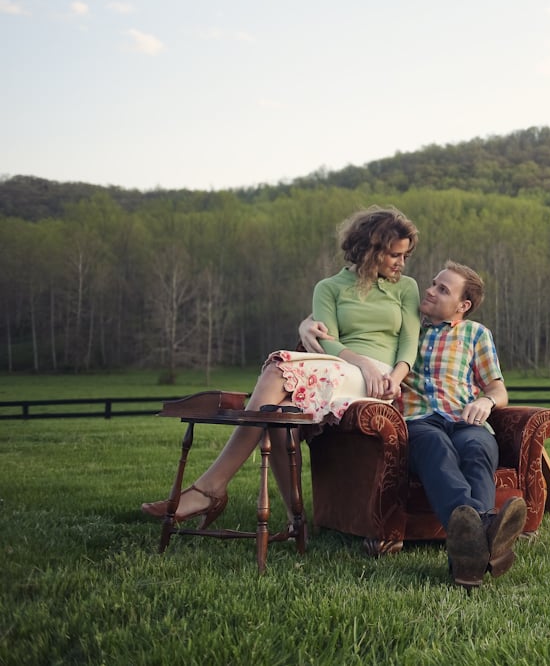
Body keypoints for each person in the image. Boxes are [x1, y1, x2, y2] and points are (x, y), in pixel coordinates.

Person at [141, 206, 421, 530]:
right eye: (394, 255)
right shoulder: (328, 288)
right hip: (342, 365)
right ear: (370, 250)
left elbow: (408, 345)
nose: (401, 263)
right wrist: (359, 362)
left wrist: (391, 377)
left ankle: (210, 488)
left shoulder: (406, 288)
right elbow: (325, 342)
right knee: (277, 413)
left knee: (277, 369)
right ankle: (296, 519)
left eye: (405, 256)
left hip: (380, 378)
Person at [300, 260, 526, 589]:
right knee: (436, 449)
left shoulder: (477, 335)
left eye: (442, 289)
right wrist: (305, 323)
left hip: (466, 420)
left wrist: (486, 401)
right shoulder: (405, 329)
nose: (430, 290)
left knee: (478, 449)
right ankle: (486, 528)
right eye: (433, 283)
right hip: (419, 421)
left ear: (463, 305)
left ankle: (470, 551)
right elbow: (354, 323)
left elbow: (497, 388)